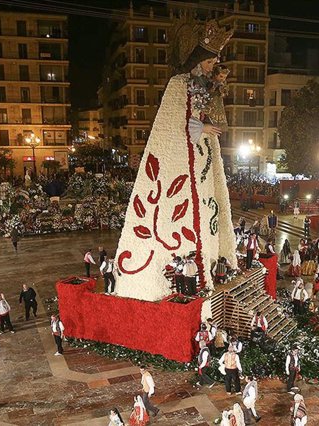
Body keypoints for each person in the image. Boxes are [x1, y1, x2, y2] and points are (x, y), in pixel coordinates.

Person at [112, 21, 237, 300]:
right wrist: (201, 128)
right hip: (183, 157)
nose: (212, 65)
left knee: (207, 205)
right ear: (197, 60)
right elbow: (174, 123)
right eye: (209, 60)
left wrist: (217, 88)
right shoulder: (179, 84)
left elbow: (213, 114)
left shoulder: (204, 84)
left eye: (214, 60)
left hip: (204, 154)